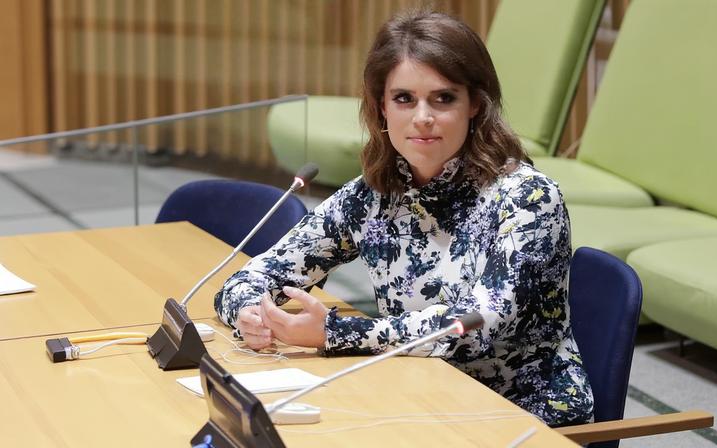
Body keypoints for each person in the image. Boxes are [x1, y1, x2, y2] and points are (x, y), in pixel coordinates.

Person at [214, 10, 593, 427]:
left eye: (443, 98)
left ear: (475, 106)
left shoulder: (527, 199)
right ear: (382, 109)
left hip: (521, 415)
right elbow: (250, 278)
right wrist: (254, 315)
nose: (423, 117)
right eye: (404, 99)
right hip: (416, 394)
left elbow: (479, 324)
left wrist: (336, 334)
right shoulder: (375, 194)